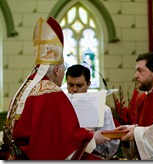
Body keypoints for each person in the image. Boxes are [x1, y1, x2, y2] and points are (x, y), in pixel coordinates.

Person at [2, 16, 111, 160]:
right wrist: (91, 138)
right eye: (64, 72)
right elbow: (58, 142)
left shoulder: (27, 87)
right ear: (57, 71)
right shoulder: (50, 92)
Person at [65, 64, 120, 159]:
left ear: (88, 84)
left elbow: (111, 145)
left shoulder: (103, 110)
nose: (74, 89)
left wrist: (91, 141)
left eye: (79, 85)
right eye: (71, 85)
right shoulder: (60, 108)